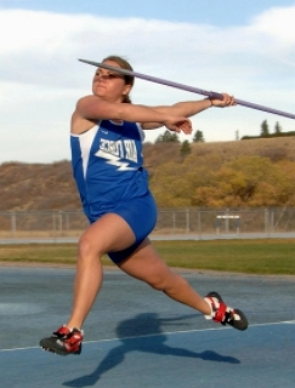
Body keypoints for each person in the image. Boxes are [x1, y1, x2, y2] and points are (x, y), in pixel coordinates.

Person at [40, 55, 248, 356]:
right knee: (163, 281)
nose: (100, 78)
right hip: (105, 217)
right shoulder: (87, 108)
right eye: (98, 73)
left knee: (88, 245)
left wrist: (210, 102)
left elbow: (175, 110)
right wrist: (163, 118)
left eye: (109, 75)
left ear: (126, 87)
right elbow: (128, 111)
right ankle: (214, 308)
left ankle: (72, 332)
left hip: (135, 206)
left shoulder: (136, 119)